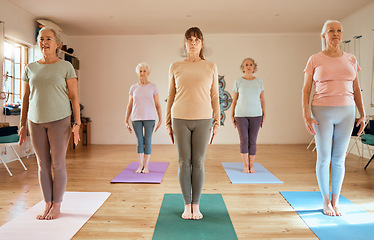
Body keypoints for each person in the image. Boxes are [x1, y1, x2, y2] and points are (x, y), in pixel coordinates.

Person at [302, 20, 365, 216]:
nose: (336, 34)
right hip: (321, 111)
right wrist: (306, 115)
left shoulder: (351, 59)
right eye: (331, 31)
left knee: (339, 159)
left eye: (339, 30)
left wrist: (362, 114)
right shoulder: (315, 59)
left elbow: (355, 89)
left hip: (347, 112)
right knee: (324, 158)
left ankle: (336, 200)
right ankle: (326, 201)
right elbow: (306, 89)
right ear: (324, 36)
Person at [18, 26, 81, 220]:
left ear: (57, 44)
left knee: (58, 164)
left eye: (48, 39)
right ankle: (47, 203)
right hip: (35, 121)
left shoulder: (65, 67)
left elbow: (74, 97)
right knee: (42, 164)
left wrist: (77, 124)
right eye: (41, 38)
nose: (44, 42)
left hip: (59, 120)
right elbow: (26, 97)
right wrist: (22, 125)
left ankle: (57, 205)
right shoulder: (30, 68)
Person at [166, 27, 220, 220]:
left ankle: (196, 205)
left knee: (197, 162)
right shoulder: (175, 66)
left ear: (202, 43)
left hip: (204, 120)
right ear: (185, 43)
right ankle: (186, 205)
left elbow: (215, 95)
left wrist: (217, 121)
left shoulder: (211, 66)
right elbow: (171, 95)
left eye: (197, 39)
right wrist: (167, 122)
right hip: (179, 119)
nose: (193, 42)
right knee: (183, 162)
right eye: (190, 39)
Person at [125, 63, 162, 173]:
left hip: (150, 118)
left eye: (144, 71)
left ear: (148, 73)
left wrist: (160, 119)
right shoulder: (133, 87)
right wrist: (125, 120)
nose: (142, 73)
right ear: (138, 73)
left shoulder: (153, 87)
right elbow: (130, 105)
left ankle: (146, 166)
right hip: (136, 118)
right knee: (139, 141)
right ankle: (140, 165)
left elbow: (158, 104)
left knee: (148, 140)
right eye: (140, 71)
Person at [231, 58, 265, 173]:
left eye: (251, 64)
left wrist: (264, 113)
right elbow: (234, 100)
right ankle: (246, 166)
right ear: (243, 67)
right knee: (244, 139)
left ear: (254, 67)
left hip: (256, 114)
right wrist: (232, 114)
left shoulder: (259, 82)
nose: (249, 66)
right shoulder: (238, 81)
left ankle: (252, 166)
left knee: (253, 140)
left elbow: (262, 99)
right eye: (246, 64)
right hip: (240, 114)